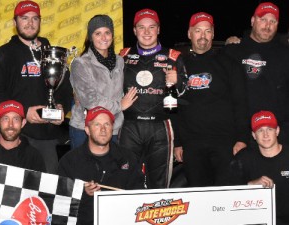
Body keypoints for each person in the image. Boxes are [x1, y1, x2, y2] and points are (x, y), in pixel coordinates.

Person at [0, 0, 73, 174]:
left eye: (35, 19)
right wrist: (23, 112)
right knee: (12, 190)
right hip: (16, 136)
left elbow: (65, 88)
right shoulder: (3, 54)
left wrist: (60, 109)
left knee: (46, 192)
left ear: (40, 22)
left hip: (47, 137)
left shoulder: (53, 54)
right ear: (15, 22)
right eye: (24, 18)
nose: (30, 23)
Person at [173, 12, 250, 187]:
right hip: (192, 144)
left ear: (213, 34)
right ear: (189, 34)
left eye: (207, 31)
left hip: (225, 143)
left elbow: (241, 103)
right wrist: (177, 143)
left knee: (225, 197)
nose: (203, 36)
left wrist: (242, 139)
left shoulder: (229, 63)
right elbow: (172, 105)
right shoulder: (178, 65)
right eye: (198, 30)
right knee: (199, 197)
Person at [118, 8, 186, 189]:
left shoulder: (174, 57)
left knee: (159, 183)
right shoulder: (122, 56)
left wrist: (178, 82)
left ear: (158, 29)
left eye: (151, 27)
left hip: (161, 127)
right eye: (141, 27)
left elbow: (186, 96)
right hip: (129, 127)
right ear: (134, 31)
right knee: (126, 180)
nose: (146, 32)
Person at [58, 106, 144, 225]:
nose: (103, 129)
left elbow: (139, 194)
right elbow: (60, 203)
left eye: (107, 124)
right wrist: (82, 192)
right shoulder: (69, 161)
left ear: (112, 128)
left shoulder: (128, 158)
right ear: (87, 130)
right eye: (97, 125)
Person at [223, 2, 289, 145]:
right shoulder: (233, 52)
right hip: (241, 139)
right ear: (253, 21)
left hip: (279, 138)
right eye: (263, 19)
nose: (268, 25)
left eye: (273, 21)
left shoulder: (285, 54)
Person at [69, 14, 137, 149]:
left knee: (112, 169)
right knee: (84, 170)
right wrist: (120, 106)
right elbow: (90, 101)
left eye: (107, 32)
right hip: (84, 129)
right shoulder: (80, 63)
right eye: (98, 33)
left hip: (114, 129)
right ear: (90, 37)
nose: (103, 38)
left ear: (112, 35)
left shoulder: (119, 61)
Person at [228, 110, 289, 225]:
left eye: (269, 129)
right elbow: (226, 192)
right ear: (253, 135)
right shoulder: (243, 158)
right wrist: (250, 185)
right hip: (257, 220)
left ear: (277, 131)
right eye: (260, 130)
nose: (265, 135)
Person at [0, 100, 46, 172]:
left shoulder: (33, 157)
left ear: (23, 123)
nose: (10, 124)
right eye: (6, 119)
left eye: (16, 119)